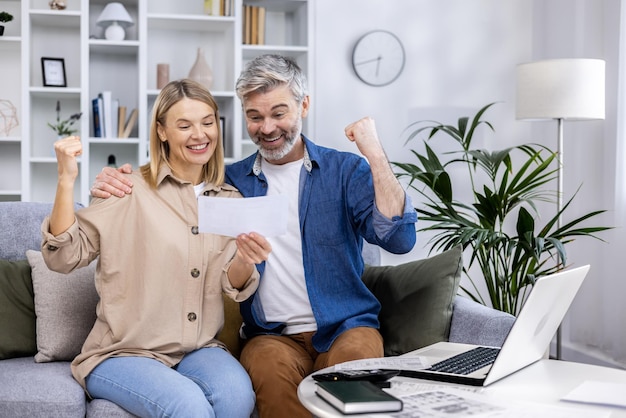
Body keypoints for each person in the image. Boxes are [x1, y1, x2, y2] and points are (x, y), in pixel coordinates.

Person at [91, 54, 417, 418]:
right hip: (270, 336)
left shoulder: (344, 171)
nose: (267, 127)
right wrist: (119, 180)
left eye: (279, 113)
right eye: (255, 116)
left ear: (304, 105)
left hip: (346, 328)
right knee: (265, 372)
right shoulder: (229, 183)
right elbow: (171, 195)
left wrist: (373, 152)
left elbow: (400, 239)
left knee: (355, 386)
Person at [42, 79, 272, 418]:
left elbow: (232, 283)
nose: (200, 134)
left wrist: (245, 259)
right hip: (122, 353)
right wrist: (65, 180)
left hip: (198, 349)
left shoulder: (228, 200)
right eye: (185, 125)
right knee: (189, 407)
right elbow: (63, 256)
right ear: (162, 131)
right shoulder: (127, 188)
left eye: (208, 122)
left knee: (237, 398)